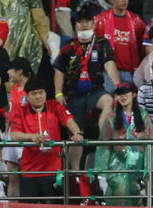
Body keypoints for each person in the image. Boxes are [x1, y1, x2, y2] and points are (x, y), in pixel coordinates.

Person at [52, 6, 119, 170]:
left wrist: (117, 86)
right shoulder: (68, 46)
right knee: (76, 135)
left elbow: (110, 65)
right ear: (75, 26)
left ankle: (104, 142)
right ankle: (75, 172)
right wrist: (58, 93)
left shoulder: (102, 44)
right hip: (73, 95)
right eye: (80, 22)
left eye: (87, 22)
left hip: (95, 91)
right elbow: (59, 71)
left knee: (108, 100)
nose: (83, 25)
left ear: (93, 24)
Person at [10, 78, 84, 203]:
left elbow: (68, 119)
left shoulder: (54, 105)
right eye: (34, 93)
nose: (38, 96)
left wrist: (76, 132)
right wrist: (31, 137)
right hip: (29, 172)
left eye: (41, 92)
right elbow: (14, 135)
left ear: (45, 93)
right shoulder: (20, 111)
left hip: (52, 171)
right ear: (27, 96)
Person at [95, 82, 153, 205]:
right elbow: (104, 147)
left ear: (133, 94)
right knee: (118, 197)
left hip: (137, 167)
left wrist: (149, 168)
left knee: (136, 200)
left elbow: (150, 143)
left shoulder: (143, 116)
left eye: (125, 93)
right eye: (119, 94)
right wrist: (102, 173)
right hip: (116, 166)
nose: (122, 97)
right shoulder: (111, 117)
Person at [94, 0, 147, 85]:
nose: (124, 1)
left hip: (131, 72)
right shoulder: (99, 21)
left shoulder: (137, 21)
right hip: (107, 73)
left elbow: (144, 48)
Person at [4, 57, 33, 199]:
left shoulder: (33, 89)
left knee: (27, 176)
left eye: (11, 69)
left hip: (27, 133)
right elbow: (11, 112)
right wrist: (5, 132)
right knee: (12, 176)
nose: (8, 72)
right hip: (12, 133)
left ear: (20, 71)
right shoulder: (14, 88)